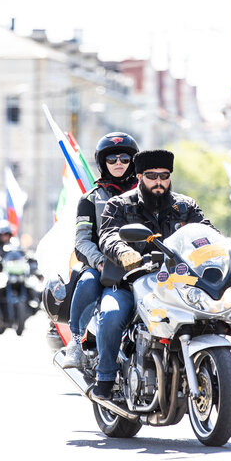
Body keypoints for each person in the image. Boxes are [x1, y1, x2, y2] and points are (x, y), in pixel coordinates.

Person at [94, 149, 215, 399]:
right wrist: (123, 251)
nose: (159, 182)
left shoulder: (186, 206)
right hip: (131, 280)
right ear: (139, 176)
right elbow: (108, 235)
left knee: (210, 315)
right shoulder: (119, 205)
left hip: (177, 282)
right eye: (152, 176)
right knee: (112, 314)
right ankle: (105, 377)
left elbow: (207, 232)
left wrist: (223, 250)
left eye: (164, 176)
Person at [61, 132, 139, 369]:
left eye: (125, 159)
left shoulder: (146, 195)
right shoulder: (90, 199)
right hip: (104, 264)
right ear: (103, 163)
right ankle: (76, 342)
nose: (118, 163)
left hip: (142, 263)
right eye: (112, 159)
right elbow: (82, 241)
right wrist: (100, 262)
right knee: (87, 281)